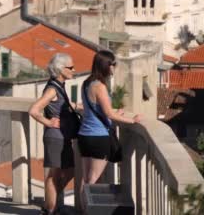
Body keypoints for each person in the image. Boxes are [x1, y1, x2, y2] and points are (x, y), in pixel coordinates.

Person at [78, 50, 141, 187]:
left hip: (84, 135)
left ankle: (83, 208)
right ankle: (88, 209)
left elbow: (94, 107)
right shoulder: (100, 87)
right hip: (98, 137)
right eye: (113, 64)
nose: (114, 67)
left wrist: (113, 111)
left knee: (86, 179)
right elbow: (109, 114)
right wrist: (132, 120)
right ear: (106, 66)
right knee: (93, 180)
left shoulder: (86, 84)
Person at [29, 53, 82, 215]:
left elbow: (63, 104)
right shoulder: (52, 89)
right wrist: (49, 122)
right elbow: (34, 110)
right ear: (60, 69)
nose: (74, 70)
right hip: (55, 137)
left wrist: (79, 106)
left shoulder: (59, 85)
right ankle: (50, 209)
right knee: (54, 175)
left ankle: (50, 205)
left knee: (69, 171)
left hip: (62, 137)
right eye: (70, 67)